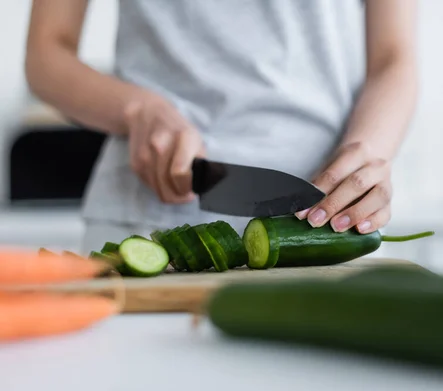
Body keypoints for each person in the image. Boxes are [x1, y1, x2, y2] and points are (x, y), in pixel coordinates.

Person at [24, 0, 418, 254]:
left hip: (324, 224)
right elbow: (45, 54)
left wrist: (366, 157)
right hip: (145, 222)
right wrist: (139, 110)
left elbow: (393, 58)